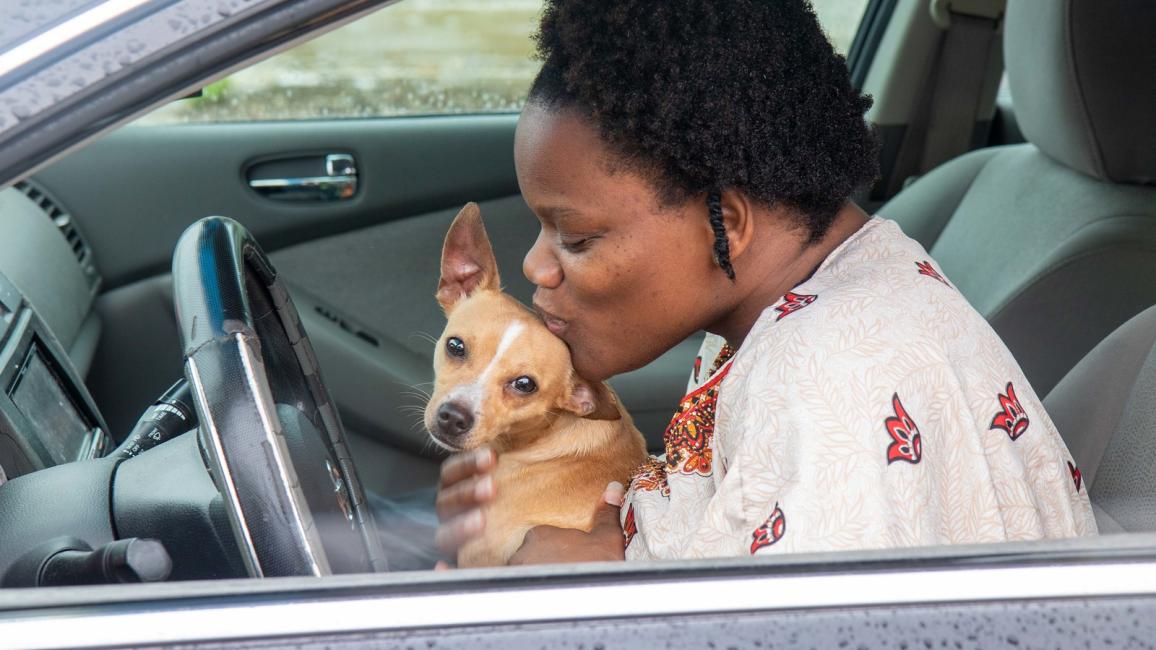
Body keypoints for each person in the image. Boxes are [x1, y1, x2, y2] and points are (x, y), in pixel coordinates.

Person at [433, 0, 1096, 567]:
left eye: (575, 239)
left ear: (726, 222)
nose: (535, 268)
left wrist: (583, 593)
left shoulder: (836, 380)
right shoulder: (778, 314)